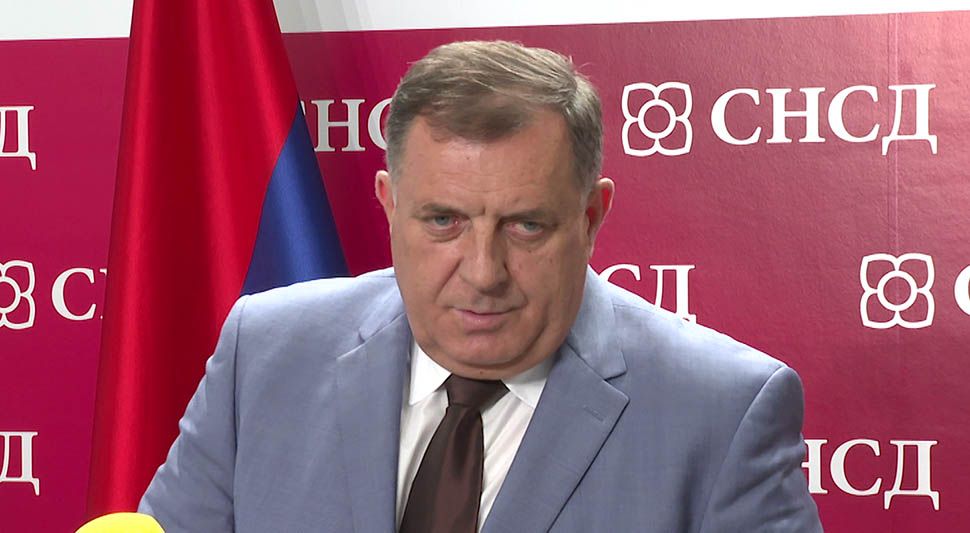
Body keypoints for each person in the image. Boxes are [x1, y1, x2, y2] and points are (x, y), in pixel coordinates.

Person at [139, 40, 823, 532]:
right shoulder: (264, 355)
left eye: (526, 226)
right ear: (390, 205)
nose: (483, 271)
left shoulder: (722, 413)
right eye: (444, 221)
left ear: (591, 217)